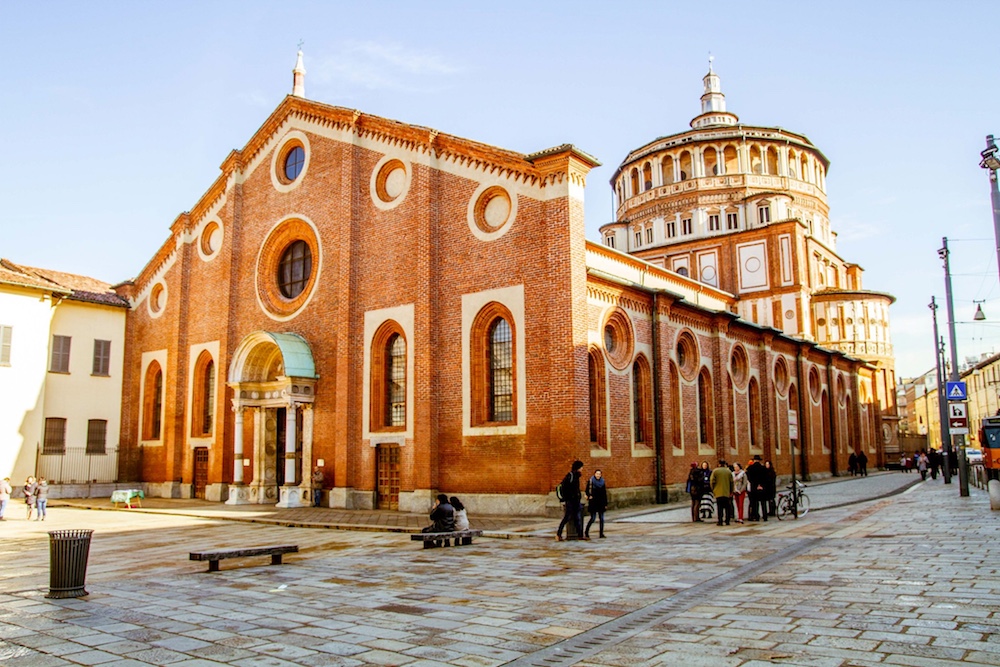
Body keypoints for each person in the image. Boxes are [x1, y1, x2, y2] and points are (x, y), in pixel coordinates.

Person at [556, 460, 585, 541]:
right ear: (578, 468)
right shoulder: (570, 476)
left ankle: (580, 535)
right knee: (567, 518)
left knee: (577, 518)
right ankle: (558, 534)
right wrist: (569, 497)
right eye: (581, 467)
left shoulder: (576, 476)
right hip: (570, 501)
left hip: (576, 501)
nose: (582, 469)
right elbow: (565, 487)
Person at [710, 460, 734, 526]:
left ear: (719, 464)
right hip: (726, 492)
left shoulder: (715, 471)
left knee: (719, 507)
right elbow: (731, 482)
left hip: (718, 492)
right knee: (727, 507)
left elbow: (712, 481)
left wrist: (713, 489)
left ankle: (720, 521)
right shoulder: (728, 471)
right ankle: (727, 521)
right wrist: (731, 491)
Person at [584, 469, 608, 538]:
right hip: (593, 502)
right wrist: (589, 496)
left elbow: (604, 493)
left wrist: (605, 503)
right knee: (593, 518)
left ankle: (601, 533)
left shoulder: (602, 482)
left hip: (601, 503)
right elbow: (587, 491)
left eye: (599, 474)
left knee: (602, 519)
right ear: (594, 474)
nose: (598, 475)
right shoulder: (591, 481)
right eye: (597, 474)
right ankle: (586, 532)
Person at [745, 456, 767, 521]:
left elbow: (748, 478)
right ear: (759, 460)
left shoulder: (750, 468)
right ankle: (765, 516)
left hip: (753, 487)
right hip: (761, 487)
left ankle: (756, 516)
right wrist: (761, 485)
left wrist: (754, 484)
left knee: (754, 503)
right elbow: (766, 478)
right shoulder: (763, 468)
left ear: (754, 460)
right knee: (763, 503)